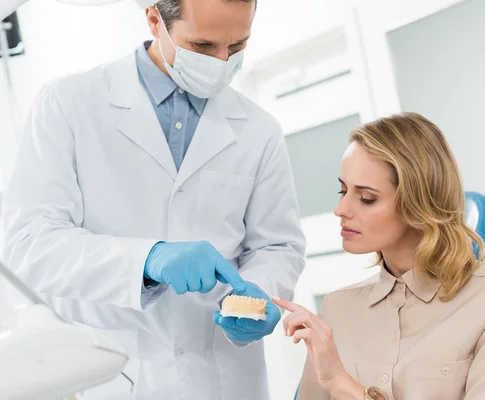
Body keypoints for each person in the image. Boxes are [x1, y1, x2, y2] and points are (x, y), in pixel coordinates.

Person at [1, 0, 306, 398]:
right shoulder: (67, 104)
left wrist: (258, 292)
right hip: (114, 373)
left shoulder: (260, 130)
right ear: (153, 19)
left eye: (236, 47)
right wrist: (147, 260)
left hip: (224, 379)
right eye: (203, 45)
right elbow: (28, 242)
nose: (220, 62)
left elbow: (278, 245)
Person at [273, 112, 485, 400]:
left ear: (419, 202)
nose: (341, 209)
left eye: (366, 198)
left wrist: (343, 385)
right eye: (343, 190)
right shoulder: (336, 310)